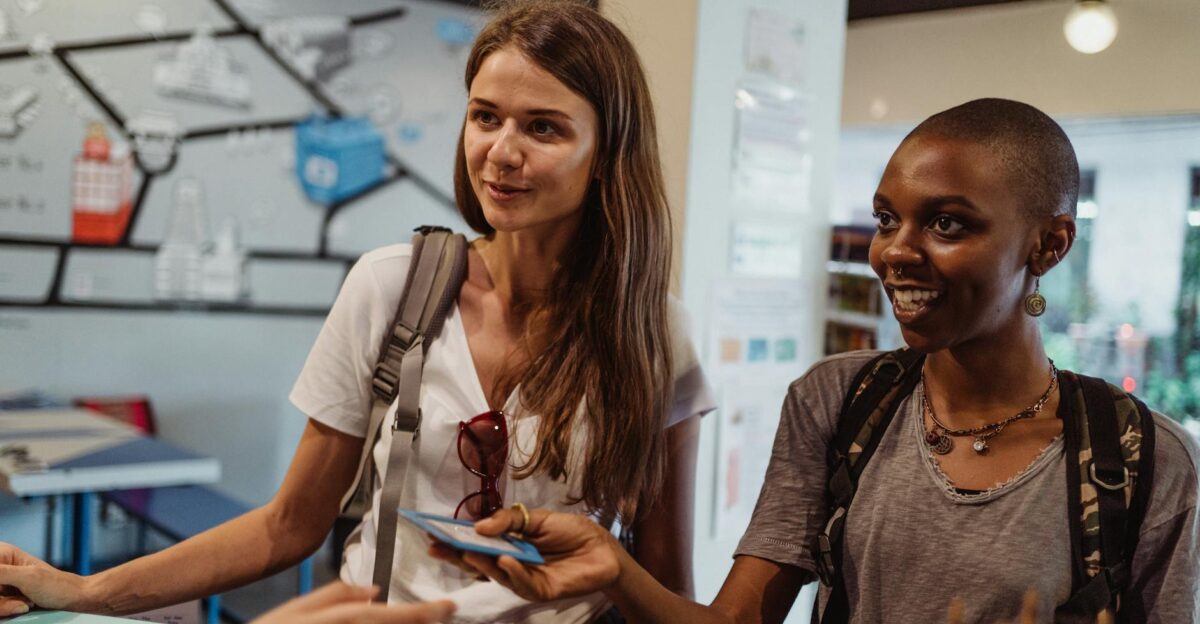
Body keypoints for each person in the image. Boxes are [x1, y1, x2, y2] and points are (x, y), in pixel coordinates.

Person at [0, 1, 714, 622]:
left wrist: (615, 573)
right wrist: (81, 591)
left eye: (544, 128)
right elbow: (287, 526)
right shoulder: (393, 286)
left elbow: (668, 593)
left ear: (608, 153)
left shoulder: (657, 337)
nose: (500, 152)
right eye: (485, 117)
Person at [437, 99, 1200, 623]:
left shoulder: (1141, 458)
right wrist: (611, 566)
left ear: (1049, 244)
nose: (896, 252)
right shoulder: (841, 402)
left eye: (946, 223)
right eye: (886, 218)